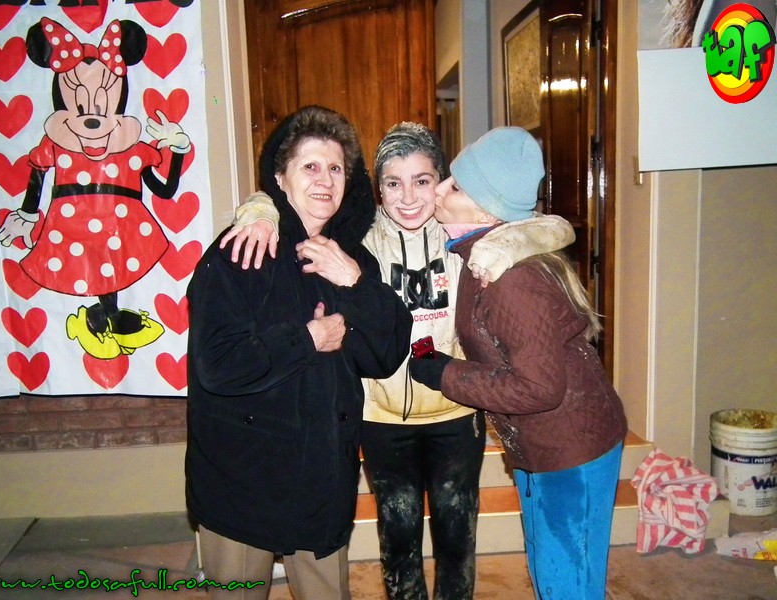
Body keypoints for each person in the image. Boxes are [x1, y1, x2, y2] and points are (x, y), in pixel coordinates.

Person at [223, 122, 576, 599]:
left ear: (443, 183)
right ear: (377, 188)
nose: (408, 197)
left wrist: (506, 245)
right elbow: (297, 202)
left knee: (457, 536)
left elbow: (551, 227)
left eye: (422, 180)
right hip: (382, 417)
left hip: (457, 411)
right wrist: (259, 209)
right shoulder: (357, 233)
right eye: (393, 183)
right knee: (398, 537)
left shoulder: (462, 227)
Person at [185, 106, 413, 600]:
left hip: (321, 479)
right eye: (310, 166)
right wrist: (308, 339)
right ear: (279, 177)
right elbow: (217, 365)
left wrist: (354, 283)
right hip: (242, 479)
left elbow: (387, 353)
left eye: (336, 168)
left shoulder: (351, 257)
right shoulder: (241, 251)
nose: (325, 180)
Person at [408, 126, 628, 600]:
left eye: (455, 187)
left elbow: (538, 388)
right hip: (548, 442)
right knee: (552, 569)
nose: (439, 191)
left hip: (570, 449)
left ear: (487, 211)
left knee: (566, 581)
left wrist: (445, 374)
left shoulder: (511, 279)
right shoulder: (486, 257)